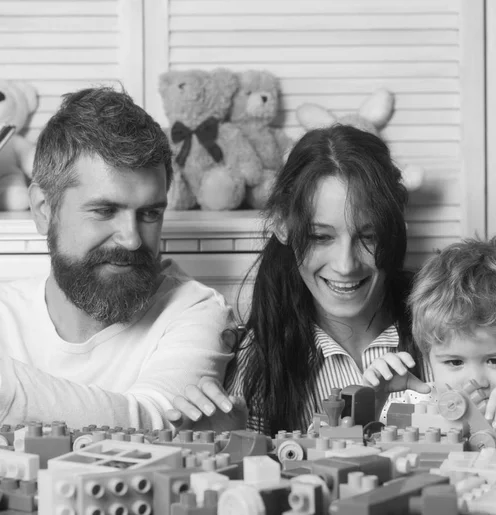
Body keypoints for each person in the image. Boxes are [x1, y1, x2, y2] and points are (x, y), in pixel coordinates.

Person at [0, 87, 236, 430]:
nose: (133, 238)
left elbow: (156, 422)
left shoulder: (194, 310)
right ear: (44, 210)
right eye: (105, 211)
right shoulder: (1, 315)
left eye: (150, 213)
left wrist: (3, 386)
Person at [167, 124, 432, 436]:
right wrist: (229, 442)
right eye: (320, 237)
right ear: (282, 225)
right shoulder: (259, 360)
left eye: (369, 236)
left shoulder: (443, 330)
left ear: (395, 224)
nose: (345, 265)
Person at [365, 236, 496, 441]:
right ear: (428, 357)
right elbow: (362, 441)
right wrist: (375, 398)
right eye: (455, 362)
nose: (476, 381)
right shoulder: (414, 403)